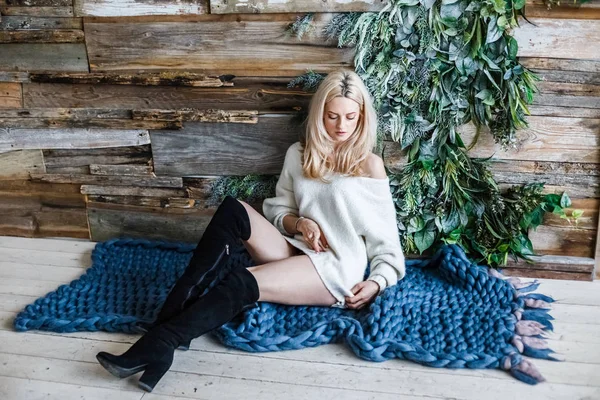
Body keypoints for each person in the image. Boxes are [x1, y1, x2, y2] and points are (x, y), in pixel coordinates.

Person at [95, 68, 406, 392]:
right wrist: (300, 222)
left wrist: (376, 282)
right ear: (319, 115)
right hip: (297, 246)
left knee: (243, 281)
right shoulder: (300, 154)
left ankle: (162, 342)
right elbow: (277, 210)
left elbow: (388, 246)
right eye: (332, 116)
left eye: (350, 117)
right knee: (233, 210)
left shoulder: (369, 166)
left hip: (335, 267)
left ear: (362, 117)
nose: (341, 126)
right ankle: (169, 315)